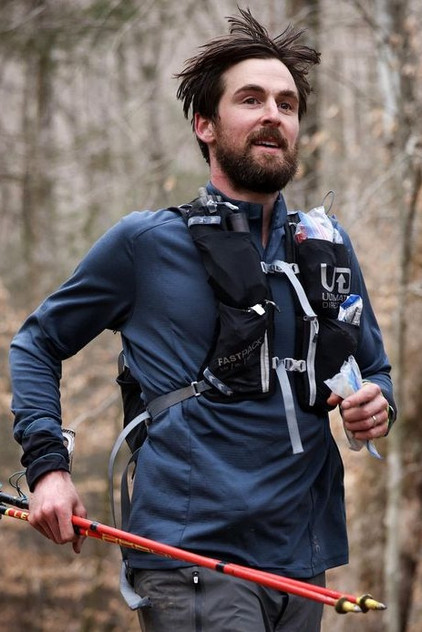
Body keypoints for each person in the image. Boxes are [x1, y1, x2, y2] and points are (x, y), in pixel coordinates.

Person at [9, 8, 396, 632]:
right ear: (205, 125)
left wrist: (377, 406)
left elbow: (374, 369)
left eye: (287, 104)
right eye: (251, 99)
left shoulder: (326, 248)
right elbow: (37, 342)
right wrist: (49, 468)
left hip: (301, 564)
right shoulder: (145, 244)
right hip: (189, 559)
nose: (274, 114)